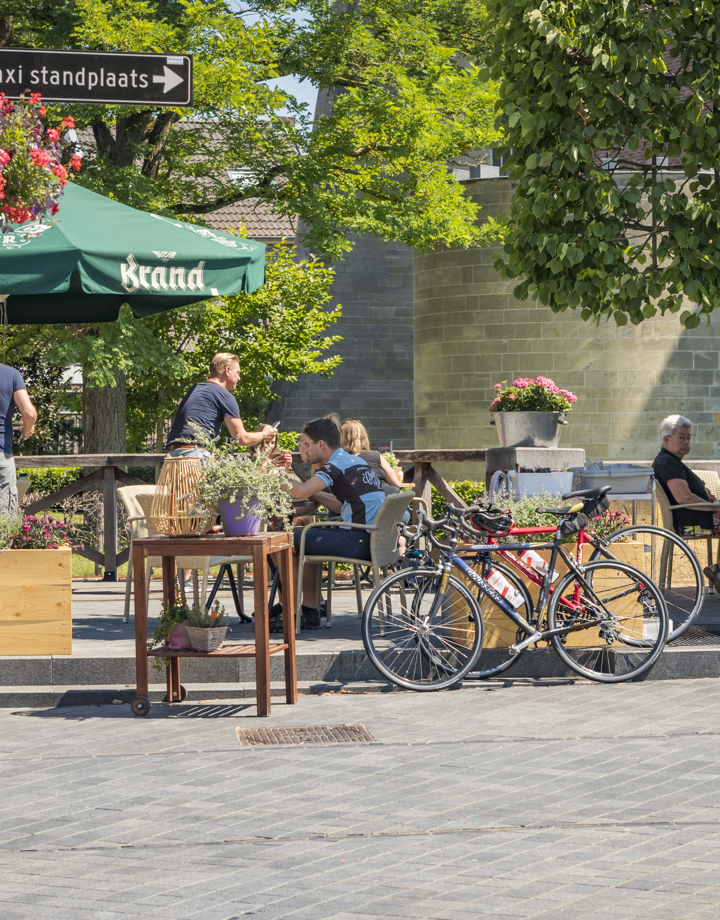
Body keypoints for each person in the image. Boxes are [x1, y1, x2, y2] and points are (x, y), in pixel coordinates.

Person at [275, 417, 386, 629]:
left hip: (359, 539)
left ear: (321, 445)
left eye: (305, 444)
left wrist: (271, 477)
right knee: (310, 537)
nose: (302, 449)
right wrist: (317, 495)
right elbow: (344, 506)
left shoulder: (335, 464)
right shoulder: (355, 461)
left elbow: (299, 491)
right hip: (372, 538)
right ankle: (310, 611)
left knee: (284, 541)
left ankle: (291, 616)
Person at [652, 414, 720, 589]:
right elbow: (685, 498)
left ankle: (718, 570)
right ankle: (718, 570)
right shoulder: (668, 463)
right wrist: (715, 508)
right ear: (666, 439)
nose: (686, 442)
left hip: (700, 516)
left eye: (689, 438)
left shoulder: (671, 461)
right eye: (681, 437)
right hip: (693, 521)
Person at [165, 353, 276, 457]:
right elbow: (242, 439)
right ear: (227, 370)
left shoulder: (195, 389)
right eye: (237, 373)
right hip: (194, 454)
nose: (239, 378)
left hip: (172, 454)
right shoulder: (224, 395)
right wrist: (264, 434)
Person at [0, 362, 37, 514]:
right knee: (4, 520)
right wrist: (27, 431)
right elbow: (29, 413)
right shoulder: (11, 374)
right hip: (1, 454)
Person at [340, 418, 405, 495]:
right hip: (386, 503)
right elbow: (396, 484)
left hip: (360, 504)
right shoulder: (376, 456)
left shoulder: (340, 460)